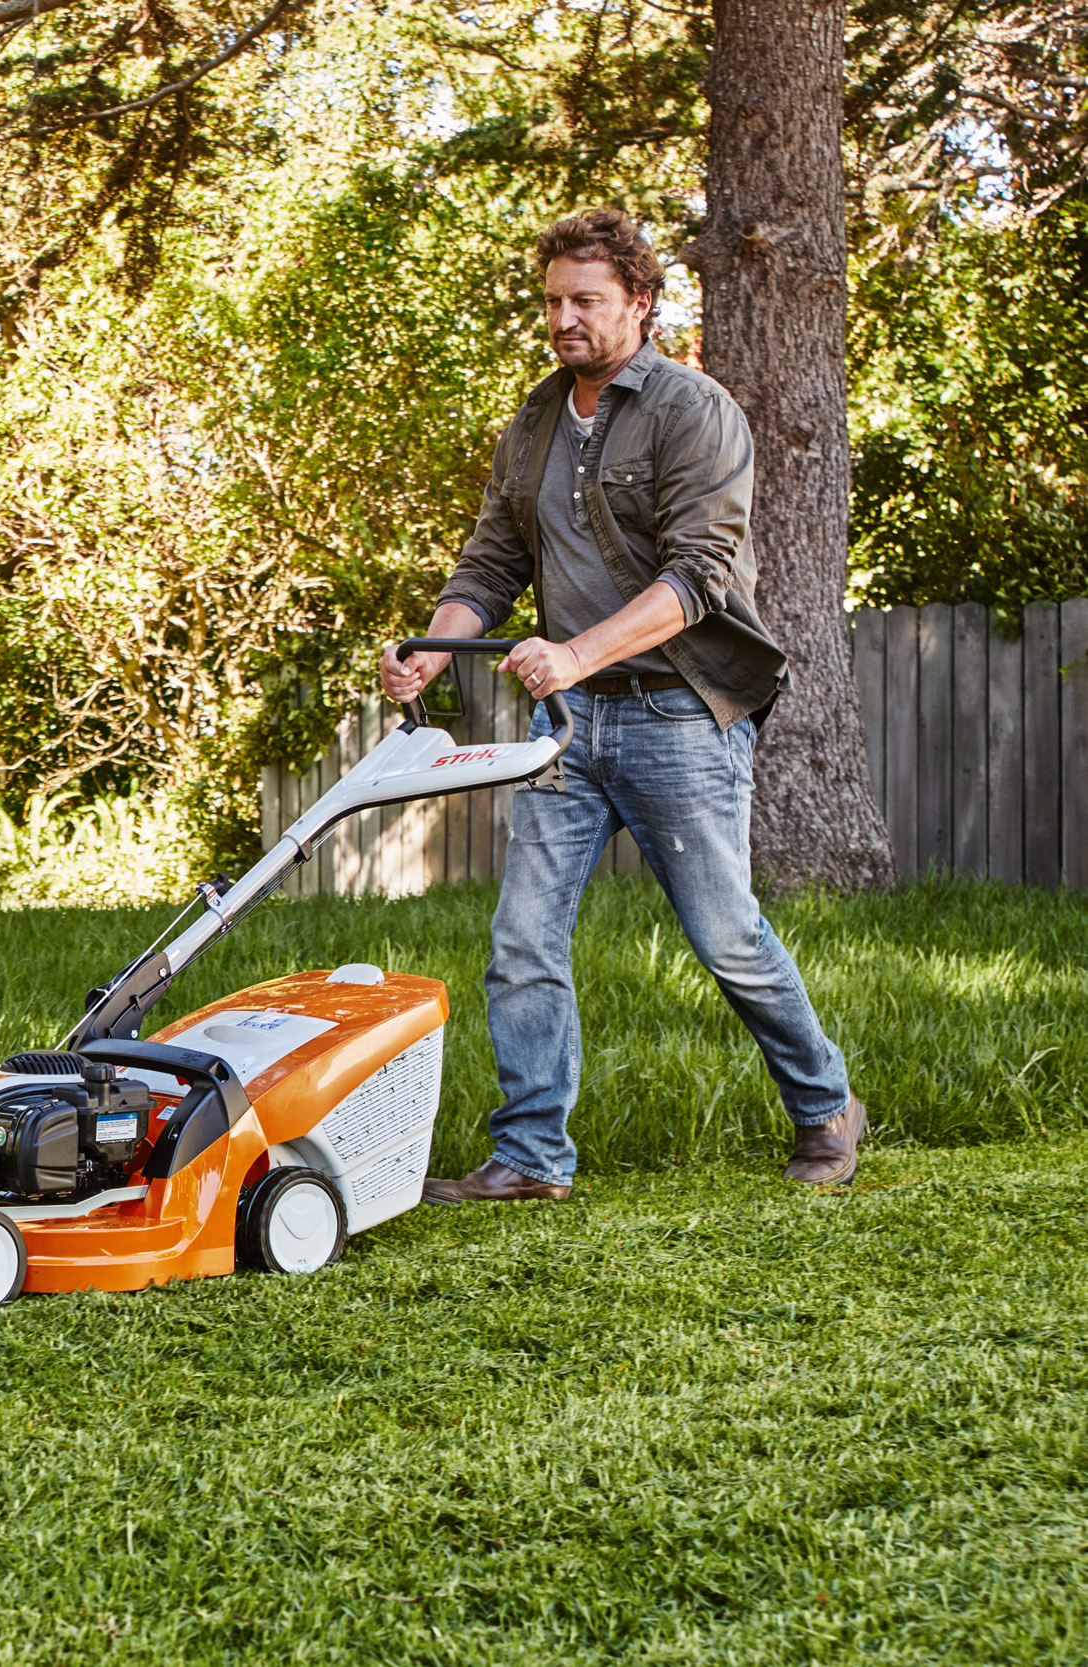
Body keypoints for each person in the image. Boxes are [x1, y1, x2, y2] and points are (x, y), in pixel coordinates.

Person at [381, 208, 866, 1202]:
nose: (563, 318)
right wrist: (437, 648)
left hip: (676, 711)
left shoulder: (693, 411)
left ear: (640, 303)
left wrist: (574, 649)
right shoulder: (534, 420)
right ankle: (529, 1156)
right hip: (567, 725)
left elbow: (694, 581)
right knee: (522, 935)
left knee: (726, 933)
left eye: (585, 301)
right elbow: (492, 560)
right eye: (552, 300)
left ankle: (824, 1107)